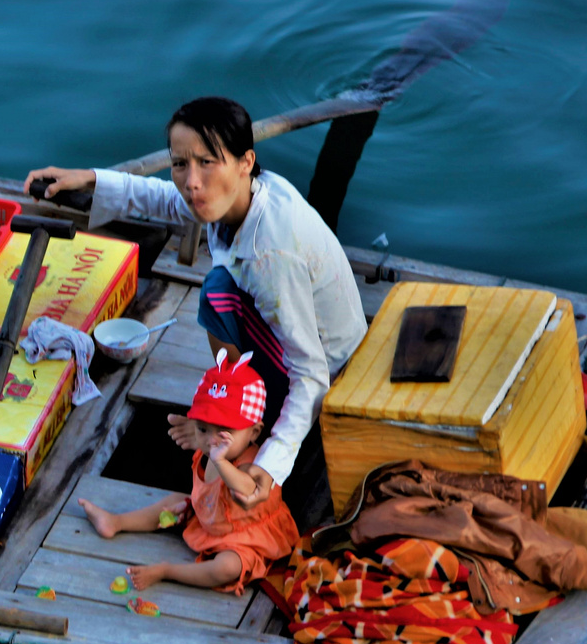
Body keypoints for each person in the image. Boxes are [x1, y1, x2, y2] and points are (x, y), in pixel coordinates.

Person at [24, 96, 365, 525]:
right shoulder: (250, 192)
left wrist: (271, 466)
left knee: (216, 292)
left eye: (208, 163)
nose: (191, 181)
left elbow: (311, 373)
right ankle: (236, 401)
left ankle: (247, 429)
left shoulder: (270, 252)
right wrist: (91, 180)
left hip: (330, 369)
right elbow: (167, 201)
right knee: (218, 288)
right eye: (180, 164)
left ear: (246, 162)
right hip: (289, 332)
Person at [79, 350, 300, 593]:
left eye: (224, 432)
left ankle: (166, 571)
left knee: (227, 567)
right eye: (203, 429)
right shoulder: (207, 453)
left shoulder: (252, 463)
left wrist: (221, 462)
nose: (211, 441)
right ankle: (116, 521)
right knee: (174, 502)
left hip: (245, 537)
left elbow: (248, 488)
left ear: (254, 433)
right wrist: (192, 506)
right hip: (211, 520)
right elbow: (208, 494)